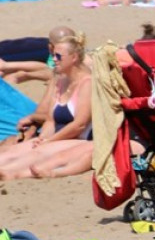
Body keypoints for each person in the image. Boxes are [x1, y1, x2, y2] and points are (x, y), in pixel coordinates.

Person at [0, 32, 94, 180]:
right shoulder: (61, 81)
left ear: (74, 58)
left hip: (78, 139)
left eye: (58, 57)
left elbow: (79, 125)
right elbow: (50, 120)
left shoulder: (87, 83)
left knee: (30, 157)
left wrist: (49, 141)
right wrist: (42, 137)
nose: (54, 60)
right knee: (10, 153)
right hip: (54, 137)